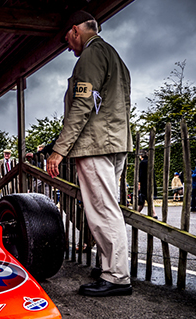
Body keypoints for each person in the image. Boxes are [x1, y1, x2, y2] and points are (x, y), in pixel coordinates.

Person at [46, 11, 133, 297]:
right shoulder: (114, 56)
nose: (69, 47)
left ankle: (117, 276)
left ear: (75, 30)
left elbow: (81, 106)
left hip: (95, 144)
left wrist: (58, 151)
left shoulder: (91, 56)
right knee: (109, 207)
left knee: (102, 210)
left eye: (67, 41)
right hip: (116, 142)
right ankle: (110, 266)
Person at [138, 150, 157, 218]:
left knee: (143, 198)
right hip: (151, 183)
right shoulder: (150, 162)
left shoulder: (142, 163)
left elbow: (141, 174)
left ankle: (153, 213)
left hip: (144, 184)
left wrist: (139, 183)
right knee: (148, 199)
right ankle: (154, 213)